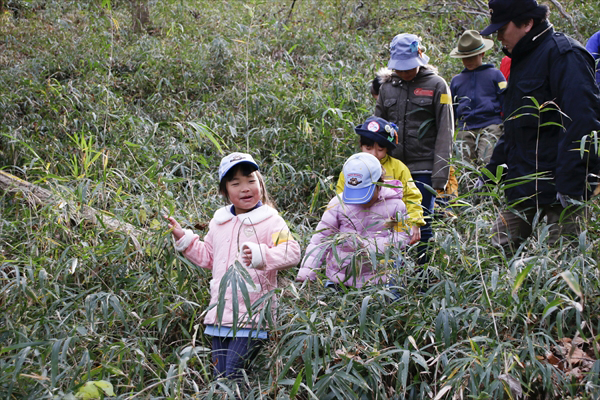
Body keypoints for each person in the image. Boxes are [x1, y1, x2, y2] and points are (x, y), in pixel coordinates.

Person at [164, 152, 301, 381]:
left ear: (260, 184)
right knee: (220, 378)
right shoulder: (219, 222)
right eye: (235, 183)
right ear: (225, 190)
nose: (245, 188)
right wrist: (184, 238)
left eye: (250, 181)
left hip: (253, 317)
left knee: (234, 376)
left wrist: (261, 255)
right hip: (219, 317)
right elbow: (208, 257)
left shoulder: (271, 220)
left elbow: (292, 251)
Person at [479, 0, 600, 251]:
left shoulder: (565, 54)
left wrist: (570, 189)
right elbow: (514, 127)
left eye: (503, 29)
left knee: (562, 271)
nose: (499, 37)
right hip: (522, 188)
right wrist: (492, 174)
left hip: (561, 193)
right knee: (496, 256)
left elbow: (583, 124)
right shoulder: (522, 58)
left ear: (527, 23)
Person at [374, 33, 454, 263]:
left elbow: (445, 131)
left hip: (424, 168)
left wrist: (440, 175)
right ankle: (394, 276)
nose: (405, 72)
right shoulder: (387, 88)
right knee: (390, 223)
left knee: (422, 223)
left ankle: (422, 279)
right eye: (401, 68)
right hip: (393, 169)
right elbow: (376, 127)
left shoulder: (437, 85)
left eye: (410, 67)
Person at [297, 152, 410, 288]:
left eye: (365, 192)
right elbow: (320, 239)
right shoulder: (338, 203)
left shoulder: (395, 205)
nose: (360, 200)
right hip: (339, 279)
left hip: (376, 280)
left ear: (379, 183)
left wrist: (372, 246)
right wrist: (307, 272)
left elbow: (403, 237)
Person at [335, 116, 424, 245]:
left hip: (391, 231)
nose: (374, 154)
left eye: (380, 149)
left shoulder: (398, 167)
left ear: (387, 148)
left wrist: (415, 222)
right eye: (368, 148)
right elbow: (340, 197)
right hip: (357, 228)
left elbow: (411, 196)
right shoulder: (352, 167)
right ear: (361, 145)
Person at [449, 29, 507, 165]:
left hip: (491, 125)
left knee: (487, 161)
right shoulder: (456, 81)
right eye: (465, 57)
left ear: (482, 53)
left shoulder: (495, 75)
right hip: (465, 128)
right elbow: (452, 108)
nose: (468, 61)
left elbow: (505, 100)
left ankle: (488, 187)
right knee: (464, 166)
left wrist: (506, 124)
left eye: (472, 57)